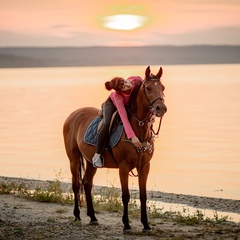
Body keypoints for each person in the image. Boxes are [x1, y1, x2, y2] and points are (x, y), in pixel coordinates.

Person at [92, 76, 143, 167]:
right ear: (120, 91)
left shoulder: (136, 80)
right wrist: (132, 136)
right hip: (111, 104)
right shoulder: (118, 97)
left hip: (128, 104)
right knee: (107, 123)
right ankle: (97, 155)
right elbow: (123, 117)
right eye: (123, 86)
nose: (127, 84)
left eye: (125, 81)